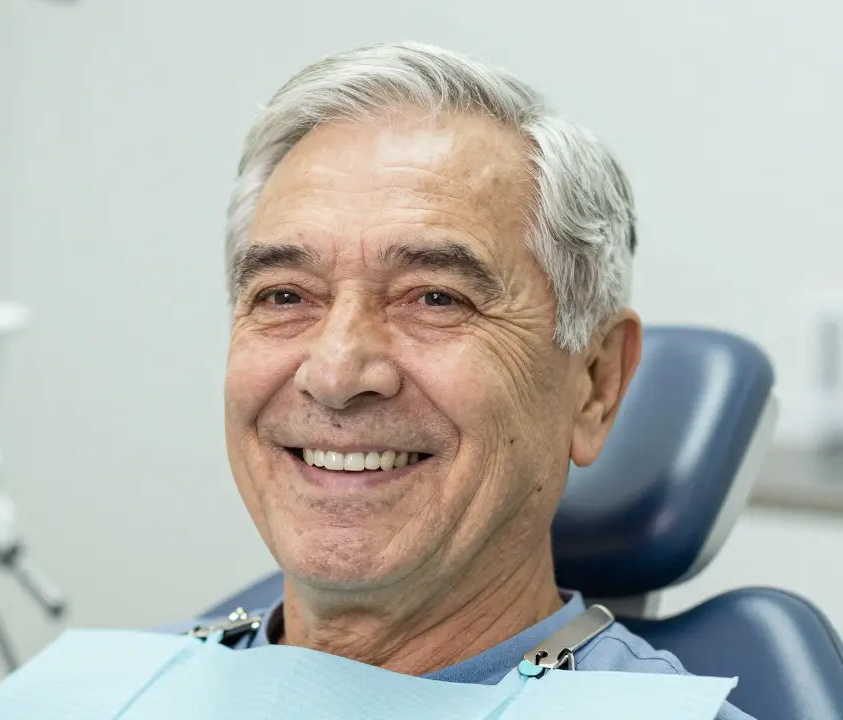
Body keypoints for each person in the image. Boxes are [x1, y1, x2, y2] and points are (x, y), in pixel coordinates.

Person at [194, 41, 753, 719]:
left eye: (436, 298)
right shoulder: (106, 691)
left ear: (596, 384)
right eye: (285, 297)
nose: (336, 374)